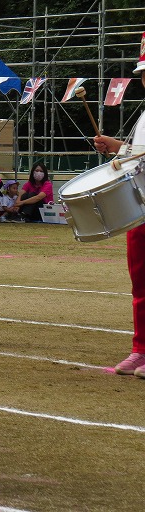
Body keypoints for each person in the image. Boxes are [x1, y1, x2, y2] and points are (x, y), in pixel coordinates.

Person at [93, 33, 145, 377]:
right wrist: (117, 148)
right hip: (140, 207)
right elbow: (138, 156)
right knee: (140, 284)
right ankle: (141, 349)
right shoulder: (144, 116)